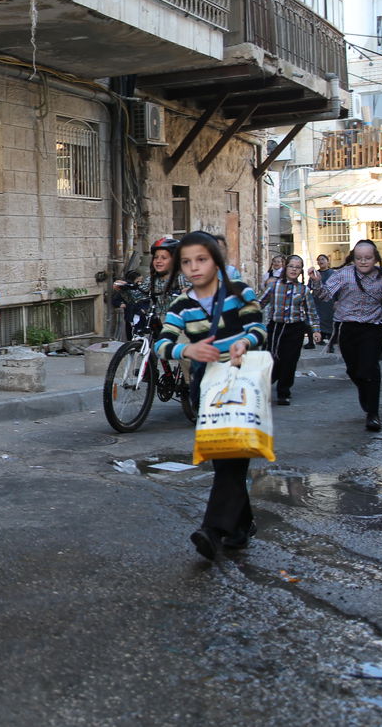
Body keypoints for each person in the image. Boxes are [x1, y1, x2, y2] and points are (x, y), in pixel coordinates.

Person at [154, 231, 267, 561]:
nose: (193, 268)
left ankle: (213, 530)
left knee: (232, 457)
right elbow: (163, 342)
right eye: (186, 262)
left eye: (201, 260)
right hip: (208, 389)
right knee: (224, 459)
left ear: (216, 260)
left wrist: (244, 342)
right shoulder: (182, 304)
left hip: (243, 385)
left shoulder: (237, 293)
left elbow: (258, 327)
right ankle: (241, 526)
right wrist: (186, 348)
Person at [312, 239, 382, 432]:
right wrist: (316, 283)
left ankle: (373, 414)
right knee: (354, 370)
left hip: (372, 328)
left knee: (370, 369)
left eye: (367, 258)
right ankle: (364, 391)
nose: (363, 262)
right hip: (347, 328)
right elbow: (325, 295)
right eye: (359, 258)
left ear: (375, 258)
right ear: (353, 258)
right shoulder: (343, 274)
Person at [259, 255, 321, 405]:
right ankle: (262, 386)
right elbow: (260, 303)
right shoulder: (274, 286)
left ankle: (283, 392)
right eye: (291, 266)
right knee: (273, 359)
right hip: (276, 328)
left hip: (295, 329)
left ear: (301, 271)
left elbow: (311, 311)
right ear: (285, 267)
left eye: (297, 267)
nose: (294, 269)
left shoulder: (303, 290)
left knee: (290, 360)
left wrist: (316, 330)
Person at [312, 254, 336, 350]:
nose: (320, 261)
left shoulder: (333, 273)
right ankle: (319, 339)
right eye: (318, 260)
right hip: (318, 301)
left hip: (330, 301)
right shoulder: (315, 274)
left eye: (323, 259)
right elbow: (311, 286)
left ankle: (331, 343)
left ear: (327, 261)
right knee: (319, 319)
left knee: (330, 320)